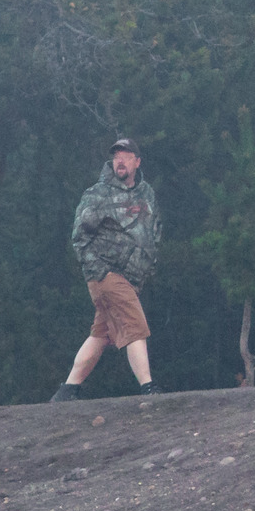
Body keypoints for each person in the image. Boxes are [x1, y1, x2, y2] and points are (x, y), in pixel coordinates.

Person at [54, 138, 161, 399]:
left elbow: (153, 230)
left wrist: (147, 266)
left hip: (131, 278)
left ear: (137, 161)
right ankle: (147, 387)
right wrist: (98, 271)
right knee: (135, 325)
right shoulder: (98, 194)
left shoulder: (146, 194)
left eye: (126, 155)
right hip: (107, 276)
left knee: (101, 334)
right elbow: (80, 237)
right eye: (116, 156)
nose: (120, 160)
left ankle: (67, 390)